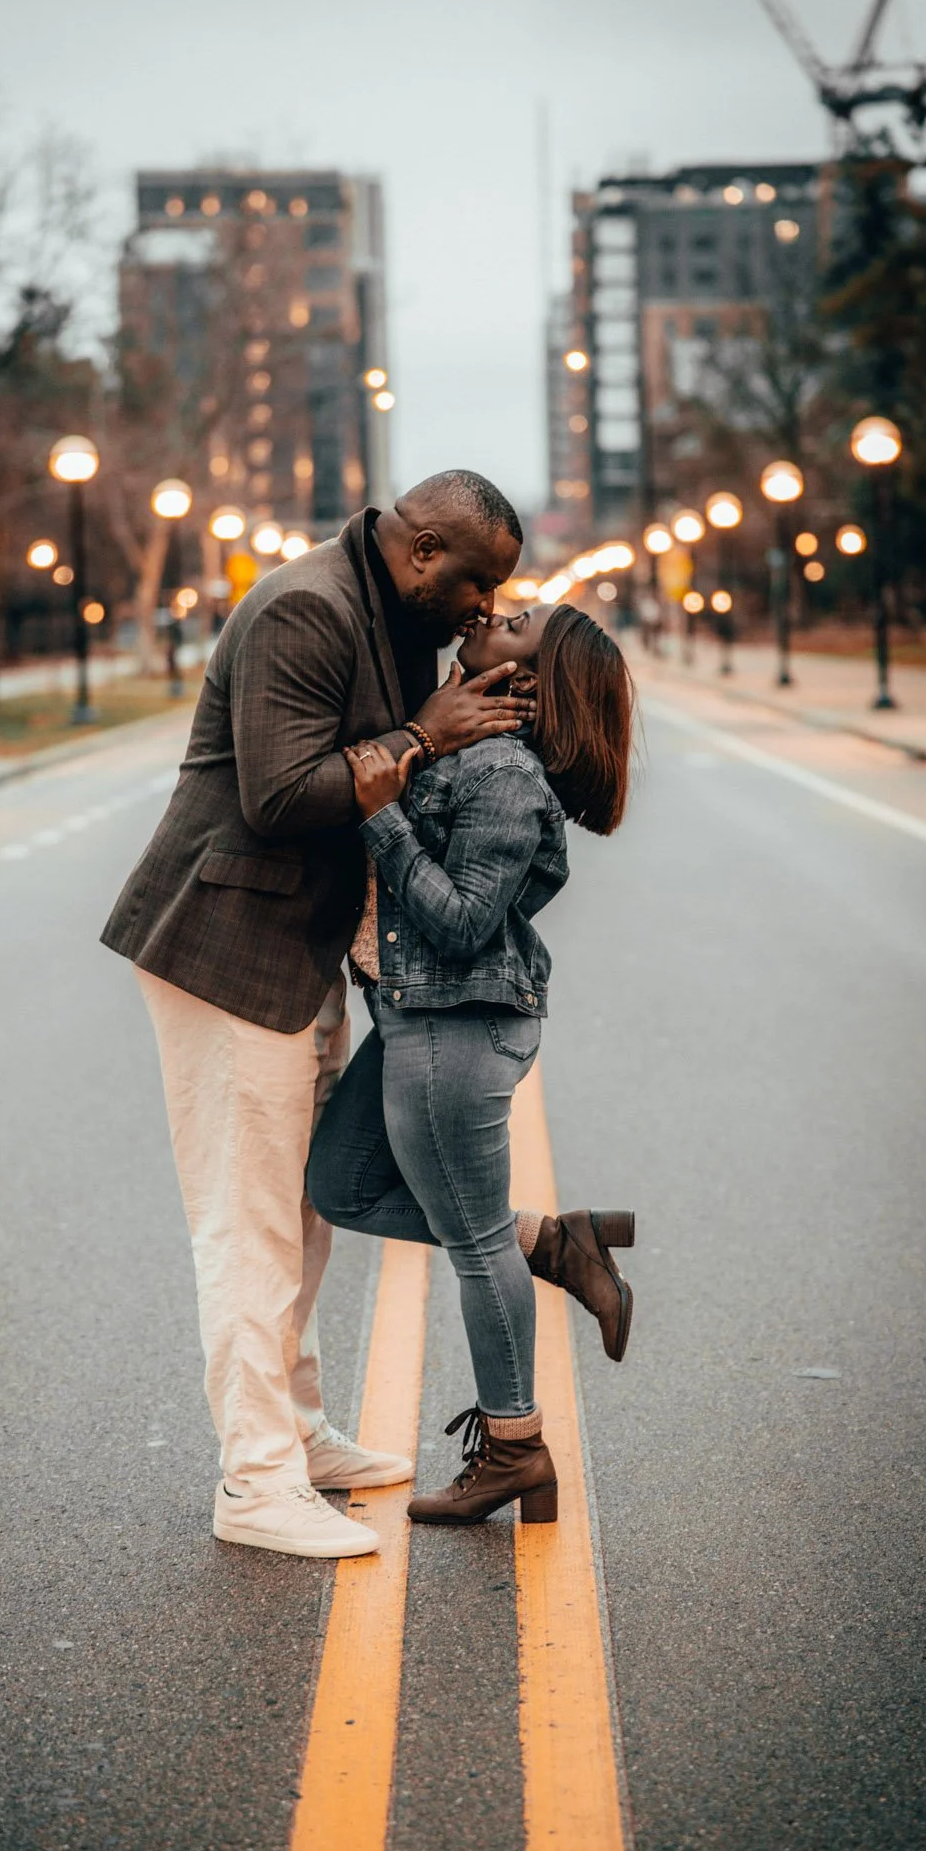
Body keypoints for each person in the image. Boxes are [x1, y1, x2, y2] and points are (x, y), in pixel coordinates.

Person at [101, 473, 533, 1559]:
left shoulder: (390, 613)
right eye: (477, 581)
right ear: (424, 549)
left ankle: (292, 1432)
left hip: (298, 953)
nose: (485, 605)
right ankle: (254, 1483)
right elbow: (280, 795)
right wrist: (421, 736)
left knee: (301, 1214)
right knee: (247, 1225)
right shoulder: (306, 605)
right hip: (225, 946)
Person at [305, 602, 637, 1526]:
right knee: (340, 1184)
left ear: (527, 683)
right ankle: (556, 1243)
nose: (500, 611)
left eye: (520, 625)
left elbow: (459, 922)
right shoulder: (460, 742)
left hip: (457, 1024)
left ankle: (514, 1449)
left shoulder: (499, 774)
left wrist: (379, 817)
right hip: (411, 1016)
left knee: (473, 1244)